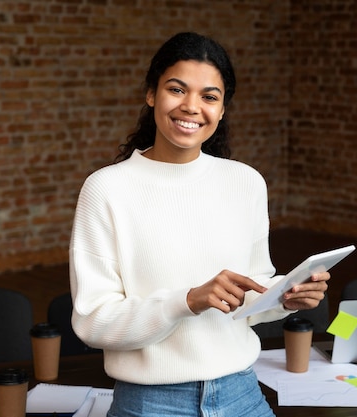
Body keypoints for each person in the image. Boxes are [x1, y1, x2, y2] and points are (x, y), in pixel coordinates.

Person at [69, 32, 330, 417]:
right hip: (150, 404)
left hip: (242, 394)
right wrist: (186, 301)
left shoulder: (245, 182)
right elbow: (93, 322)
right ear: (151, 94)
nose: (192, 107)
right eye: (177, 90)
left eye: (209, 96)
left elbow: (249, 299)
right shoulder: (107, 189)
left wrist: (284, 296)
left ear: (222, 110)